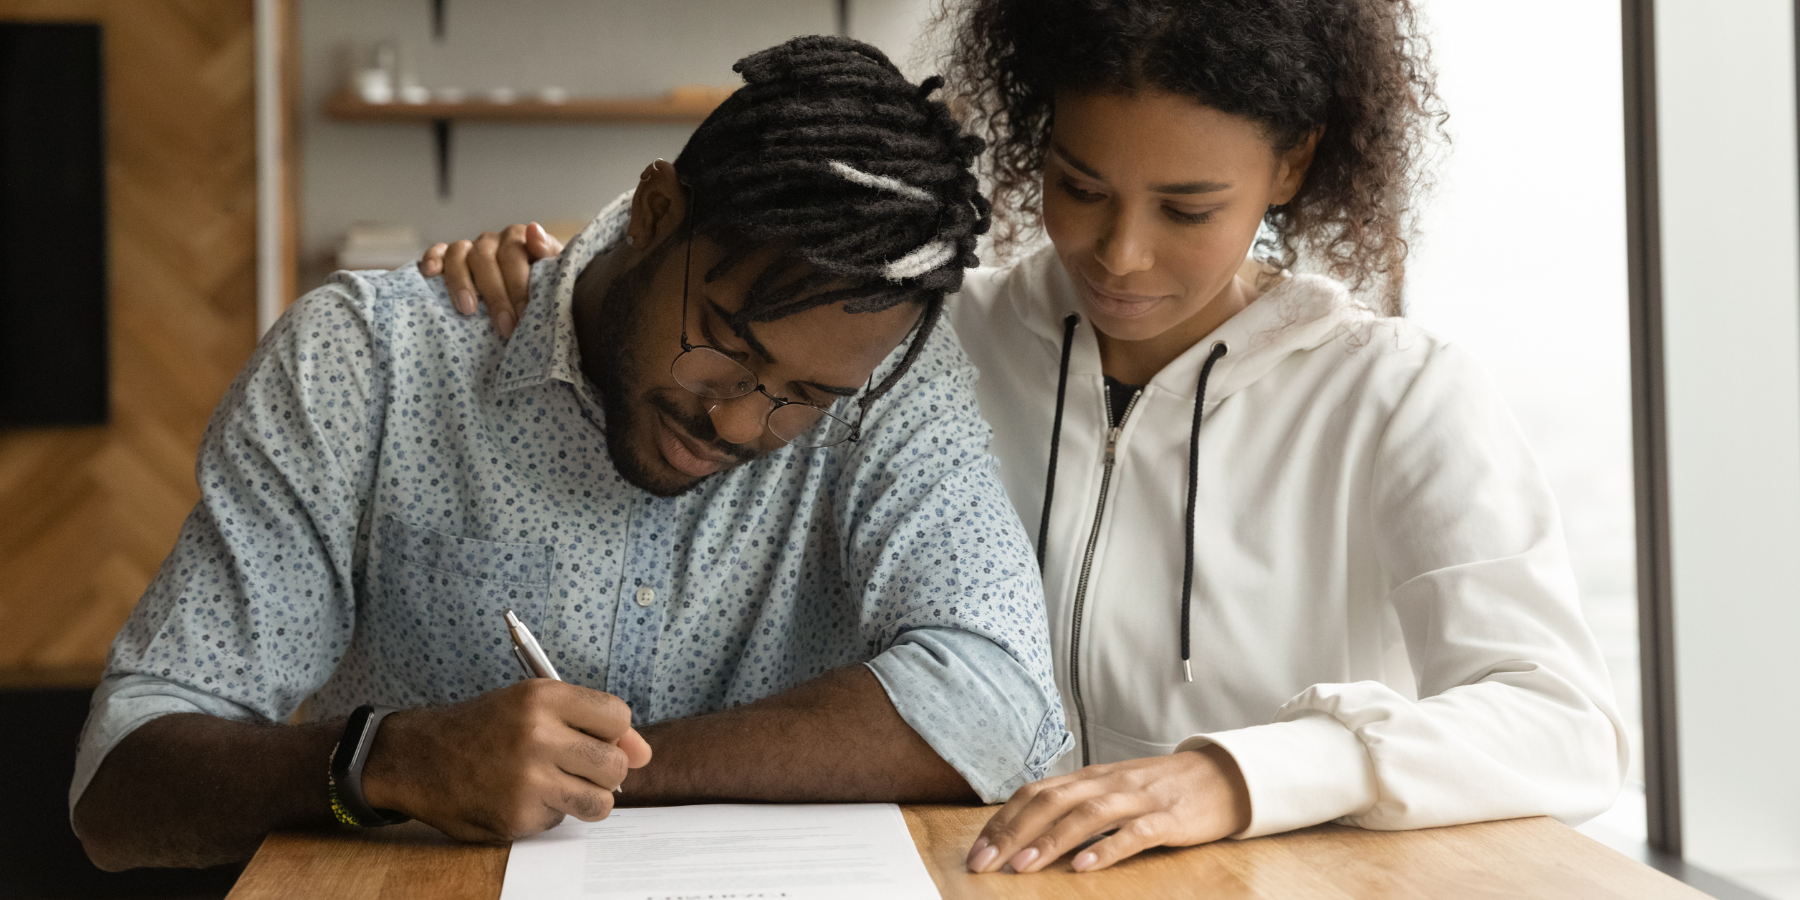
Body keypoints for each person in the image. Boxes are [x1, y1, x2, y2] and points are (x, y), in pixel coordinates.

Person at [442, 0, 1629, 878]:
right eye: (1080, 184)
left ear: (1294, 164)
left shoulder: (1398, 396)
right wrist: (567, 271)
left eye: (1187, 209)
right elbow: (724, 270)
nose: (1118, 254)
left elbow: (1562, 725)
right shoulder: (936, 338)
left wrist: (1238, 774)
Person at [69, 36, 1072, 872]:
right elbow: (120, 791)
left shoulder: (889, 381)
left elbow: (992, 703)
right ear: (655, 213)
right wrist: (384, 762)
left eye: (804, 397)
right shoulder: (367, 363)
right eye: (726, 341)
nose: (739, 422)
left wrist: (614, 770)